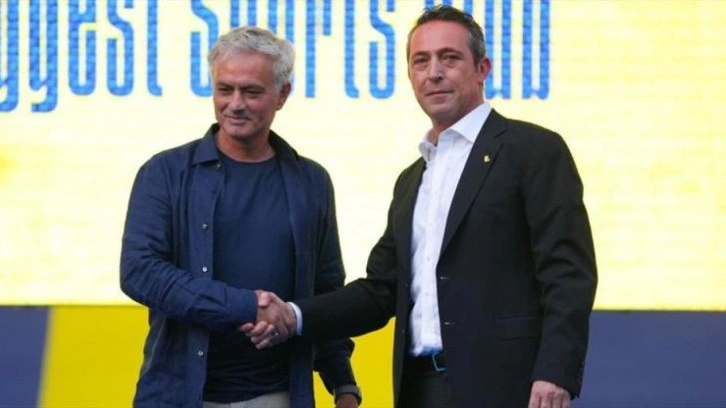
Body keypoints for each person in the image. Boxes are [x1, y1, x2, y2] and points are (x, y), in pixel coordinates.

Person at [244, 5, 597, 408]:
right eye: (421, 61)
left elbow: (568, 273)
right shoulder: (412, 180)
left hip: (509, 387)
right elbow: (381, 291)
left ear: (482, 69)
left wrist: (555, 372)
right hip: (419, 388)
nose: (434, 73)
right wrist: (294, 315)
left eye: (450, 58)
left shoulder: (533, 150)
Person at [120, 25, 361, 408]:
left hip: (278, 395)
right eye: (224, 89)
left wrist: (343, 384)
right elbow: (140, 272)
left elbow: (326, 292)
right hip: (179, 396)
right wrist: (245, 306)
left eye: (251, 92)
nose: (235, 104)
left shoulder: (312, 181)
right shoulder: (164, 173)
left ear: (282, 94)